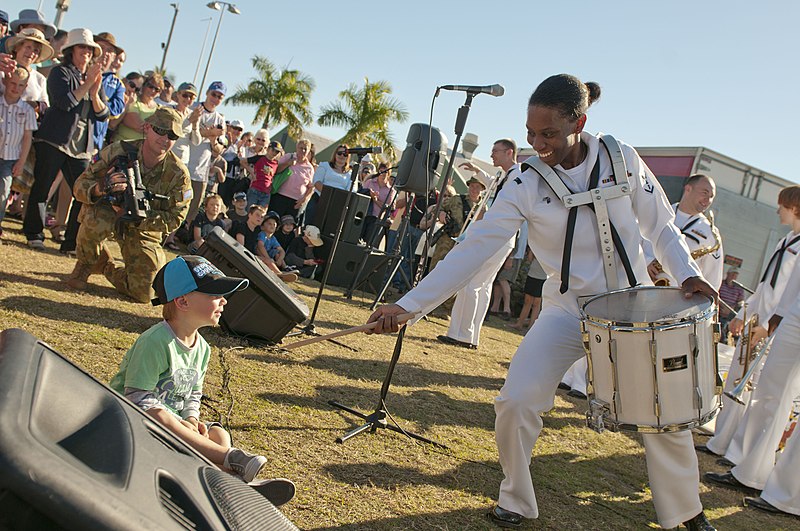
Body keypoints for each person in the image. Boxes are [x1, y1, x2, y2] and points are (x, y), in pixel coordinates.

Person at [366, 74, 718, 530]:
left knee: (662, 413)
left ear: (580, 123)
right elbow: (477, 247)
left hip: (633, 306)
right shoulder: (523, 181)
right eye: (531, 133)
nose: (538, 143)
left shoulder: (620, 158)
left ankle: (687, 513)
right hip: (569, 309)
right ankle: (517, 498)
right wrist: (408, 307)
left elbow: (662, 226)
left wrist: (688, 273)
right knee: (516, 400)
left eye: (548, 133)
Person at [109, 255, 293, 496]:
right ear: (183, 302)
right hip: (128, 423)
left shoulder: (203, 348)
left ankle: (225, 478)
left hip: (175, 425)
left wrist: (192, 419)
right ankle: (230, 464)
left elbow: (194, 394)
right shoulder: (156, 341)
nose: (224, 301)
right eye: (215, 295)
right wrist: (177, 421)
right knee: (161, 416)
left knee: (219, 433)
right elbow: (137, 398)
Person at [698, 185, 800, 459]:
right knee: (736, 381)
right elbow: (767, 285)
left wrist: (768, 326)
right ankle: (721, 441)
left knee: (758, 392)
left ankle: (741, 452)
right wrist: (744, 315)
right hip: (758, 320)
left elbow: (790, 296)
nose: (778, 209)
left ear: (794, 207)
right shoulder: (785, 241)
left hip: (774, 328)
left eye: (782, 205)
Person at [66, 107, 192, 302]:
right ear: (147, 127)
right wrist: (100, 187)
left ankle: (106, 266)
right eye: (160, 130)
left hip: (143, 228)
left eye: (173, 135)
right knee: (95, 219)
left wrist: (139, 217)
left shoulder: (178, 174)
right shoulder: (119, 150)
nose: (165, 138)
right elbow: (80, 185)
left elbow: (176, 218)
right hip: (108, 212)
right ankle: (85, 263)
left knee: (145, 293)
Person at [704, 254, 800, 505]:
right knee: (769, 393)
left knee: (778, 400)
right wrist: (778, 318)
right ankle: (750, 471)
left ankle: (788, 495)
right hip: (794, 313)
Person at [23, 28, 109, 253]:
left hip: (81, 148)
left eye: (90, 49)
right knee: (42, 188)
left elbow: (103, 114)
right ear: (71, 50)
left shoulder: (93, 79)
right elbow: (64, 103)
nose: (87, 53)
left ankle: (70, 242)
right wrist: (87, 84)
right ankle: (34, 234)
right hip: (54, 140)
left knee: (83, 194)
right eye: (82, 47)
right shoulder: (60, 72)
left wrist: (93, 92)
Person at [437, 138, 520, 349]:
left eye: (495, 151)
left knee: (472, 282)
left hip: (498, 236)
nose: (492, 154)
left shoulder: (518, 175)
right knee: (482, 286)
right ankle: (470, 335)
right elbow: (494, 181)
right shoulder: (506, 175)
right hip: (500, 238)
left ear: (509, 152)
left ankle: (462, 334)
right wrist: (477, 170)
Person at [645, 174, 723, 289]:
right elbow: (636, 240)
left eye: (712, 196)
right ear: (688, 189)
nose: (708, 200)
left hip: (676, 296)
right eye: (704, 193)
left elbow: (713, 277)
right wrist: (647, 260)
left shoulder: (710, 233)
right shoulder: (661, 212)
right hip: (643, 281)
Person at [0, 67, 37, 241]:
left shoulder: (27, 110)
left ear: (25, 87)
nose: (15, 88)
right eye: (13, 83)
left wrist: (21, 162)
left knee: (3, 191)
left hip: (10, 157)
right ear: (5, 82)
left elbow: (27, 138)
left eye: (20, 85)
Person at [184, 81, 226, 224]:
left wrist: (213, 139)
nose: (215, 98)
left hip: (202, 169)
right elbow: (187, 133)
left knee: (193, 206)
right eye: (214, 94)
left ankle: (183, 234)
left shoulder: (220, 119)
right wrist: (209, 133)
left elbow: (220, 149)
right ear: (207, 92)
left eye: (220, 96)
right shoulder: (193, 108)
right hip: (185, 161)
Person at [92, 32, 125, 152]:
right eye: (102, 47)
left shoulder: (117, 84)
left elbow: (116, 110)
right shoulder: (79, 72)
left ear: (113, 56)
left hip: (94, 143)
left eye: (110, 50)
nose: (105, 53)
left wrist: (96, 101)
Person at [308, 143, 352, 225]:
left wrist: (336, 198)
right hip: (319, 200)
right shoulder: (324, 165)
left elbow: (351, 190)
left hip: (337, 205)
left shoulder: (351, 173)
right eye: (339, 153)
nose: (342, 156)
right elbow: (317, 182)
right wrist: (329, 195)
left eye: (345, 154)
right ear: (335, 154)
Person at [270, 138, 314, 220]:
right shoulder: (288, 157)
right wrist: (288, 163)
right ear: (297, 148)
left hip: (295, 202)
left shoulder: (309, 168)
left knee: (288, 227)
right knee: (273, 220)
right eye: (301, 148)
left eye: (305, 149)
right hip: (280, 197)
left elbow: (311, 187)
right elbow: (275, 170)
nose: (303, 151)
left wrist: (304, 200)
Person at [112, 72, 163, 142]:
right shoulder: (132, 100)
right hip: (121, 146)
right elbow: (138, 125)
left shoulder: (160, 109)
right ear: (143, 86)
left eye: (157, 89)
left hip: (143, 150)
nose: (153, 91)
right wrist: (155, 131)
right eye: (150, 86)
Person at [239, 132, 281, 208]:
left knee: (261, 214)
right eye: (273, 150)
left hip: (266, 192)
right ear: (268, 149)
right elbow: (242, 161)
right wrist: (251, 172)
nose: (274, 153)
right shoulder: (259, 158)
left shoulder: (276, 163)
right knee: (249, 211)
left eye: (277, 152)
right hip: (255, 189)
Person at [510, 249, 546, 331]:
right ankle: (519, 324)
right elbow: (530, 259)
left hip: (542, 277)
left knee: (536, 303)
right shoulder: (536, 246)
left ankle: (531, 328)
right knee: (527, 301)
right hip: (532, 275)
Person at [361, 162, 395, 246]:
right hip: (364, 215)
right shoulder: (369, 182)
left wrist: (375, 199)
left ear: (389, 173)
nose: (383, 174)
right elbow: (361, 196)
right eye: (381, 171)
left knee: (369, 243)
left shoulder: (391, 190)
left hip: (377, 219)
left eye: (385, 172)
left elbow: (387, 208)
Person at [718, 267, 745, 334]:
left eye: (735, 275)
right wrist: (722, 306)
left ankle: (726, 332)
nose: (733, 277)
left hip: (731, 311)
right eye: (732, 274)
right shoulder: (720, 283)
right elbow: (716, 295)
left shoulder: (739, 288)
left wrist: (731, 309)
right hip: (719, 308)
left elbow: (740, 301)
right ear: (727, 274)